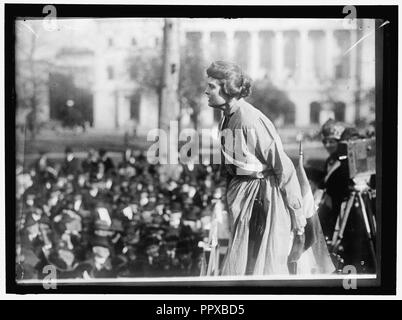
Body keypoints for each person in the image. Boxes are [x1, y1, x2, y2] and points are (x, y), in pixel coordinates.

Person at [205, 61, 306, 275]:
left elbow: (284, 167)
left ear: (228, 89)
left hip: (262, 200)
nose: (206, 91)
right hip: (242, 198)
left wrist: (298, 217)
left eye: (211, 87)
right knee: (241, 265)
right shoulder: (227, 117)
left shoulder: (251, 120)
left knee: (259, 267)